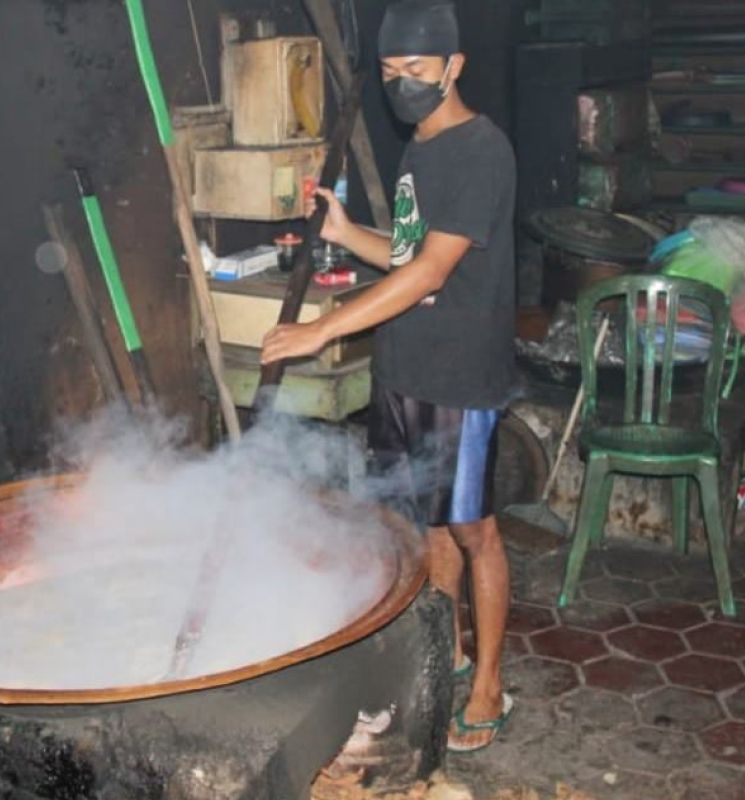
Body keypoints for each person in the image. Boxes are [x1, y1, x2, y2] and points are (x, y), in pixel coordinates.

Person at [260, 0, 516, 752]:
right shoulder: (420, 150)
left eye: (417, 71)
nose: (402, 85)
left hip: (460, 375)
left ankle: (490, 686)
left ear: (454, 68)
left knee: (475, 532)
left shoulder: (480, 150)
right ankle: (446, 658)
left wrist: (321, 329)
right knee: (426, 528)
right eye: (390, 72)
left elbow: (435, 269)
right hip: (404, 368)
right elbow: (409, 258)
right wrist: (345, 232)